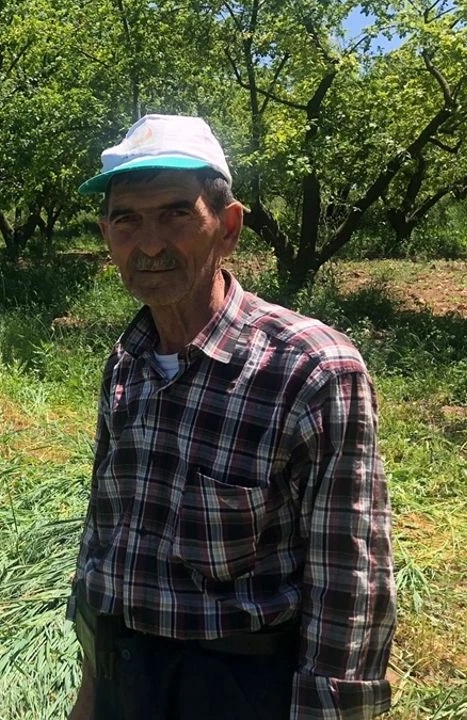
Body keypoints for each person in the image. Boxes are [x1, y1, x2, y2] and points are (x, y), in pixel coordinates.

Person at [66, 115, 396, 719]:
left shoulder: (311, 371)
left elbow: (351, 588)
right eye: (126, 220)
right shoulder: (128, 359)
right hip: (125, 670)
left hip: (237, 686)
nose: (149, 244)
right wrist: (92, 690)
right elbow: (105, 539)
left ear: (229, 227)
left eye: (174, 214)